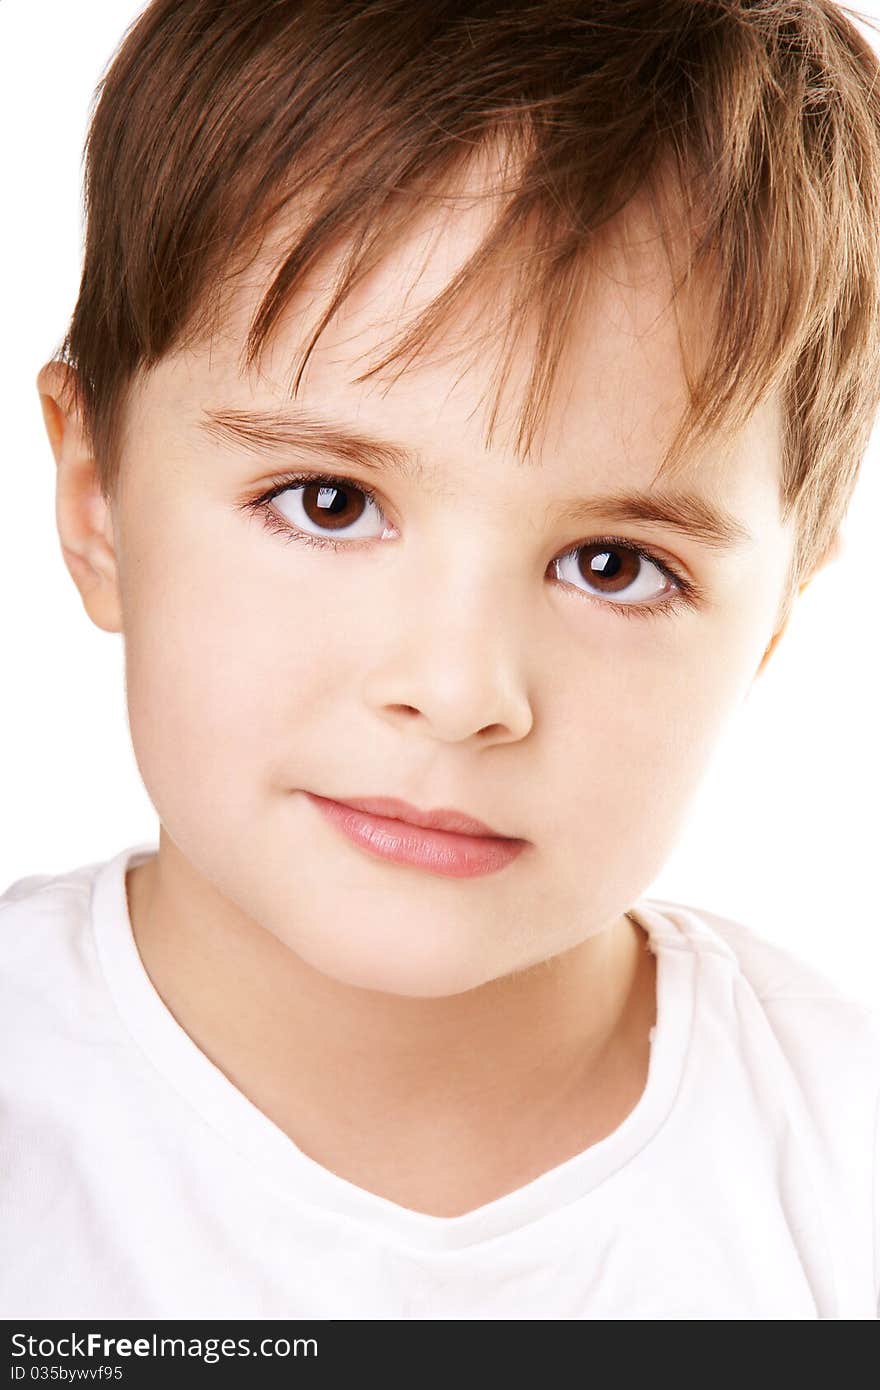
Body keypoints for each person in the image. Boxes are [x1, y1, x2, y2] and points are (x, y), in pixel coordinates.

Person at [2, 0, 878, 1320]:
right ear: (94, 499)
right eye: (329, 500)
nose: (461, 691)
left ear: (774, 621)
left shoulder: (839, 1158)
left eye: (615, 564)